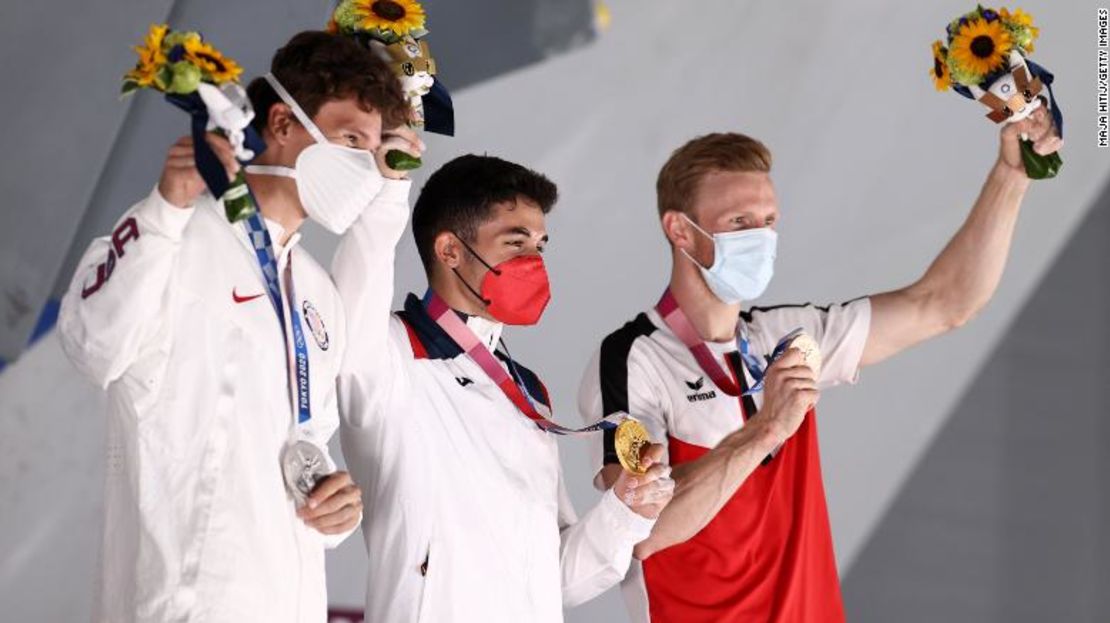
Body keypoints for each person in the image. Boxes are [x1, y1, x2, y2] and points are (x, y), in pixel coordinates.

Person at [577, 108, 1062, 622]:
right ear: (680, 230)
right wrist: (766, 429)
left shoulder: (785, 336)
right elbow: (639, 533)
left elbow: (943, 304)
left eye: (768, 222)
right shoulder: (634, 359)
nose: (759, 238)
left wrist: (1011, 177)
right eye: (739, 223)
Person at [57, 31, 410, 622]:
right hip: (184, 604)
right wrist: (166, 206)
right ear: (281, 122)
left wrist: (334, 509)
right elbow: (93, 346)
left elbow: (307, 442)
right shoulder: (178, 232)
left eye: (370, 149)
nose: (361, 166)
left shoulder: (318, 292)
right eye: (350, 139)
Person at [332, 153, 675, 622]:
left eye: (540, 246)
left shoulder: (528, 392)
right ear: (449, 250)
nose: (533, 262)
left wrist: (626, 509)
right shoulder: (389, 353)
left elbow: (554, 579)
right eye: (516, 244)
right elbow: (358, 289)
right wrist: (389, 185)